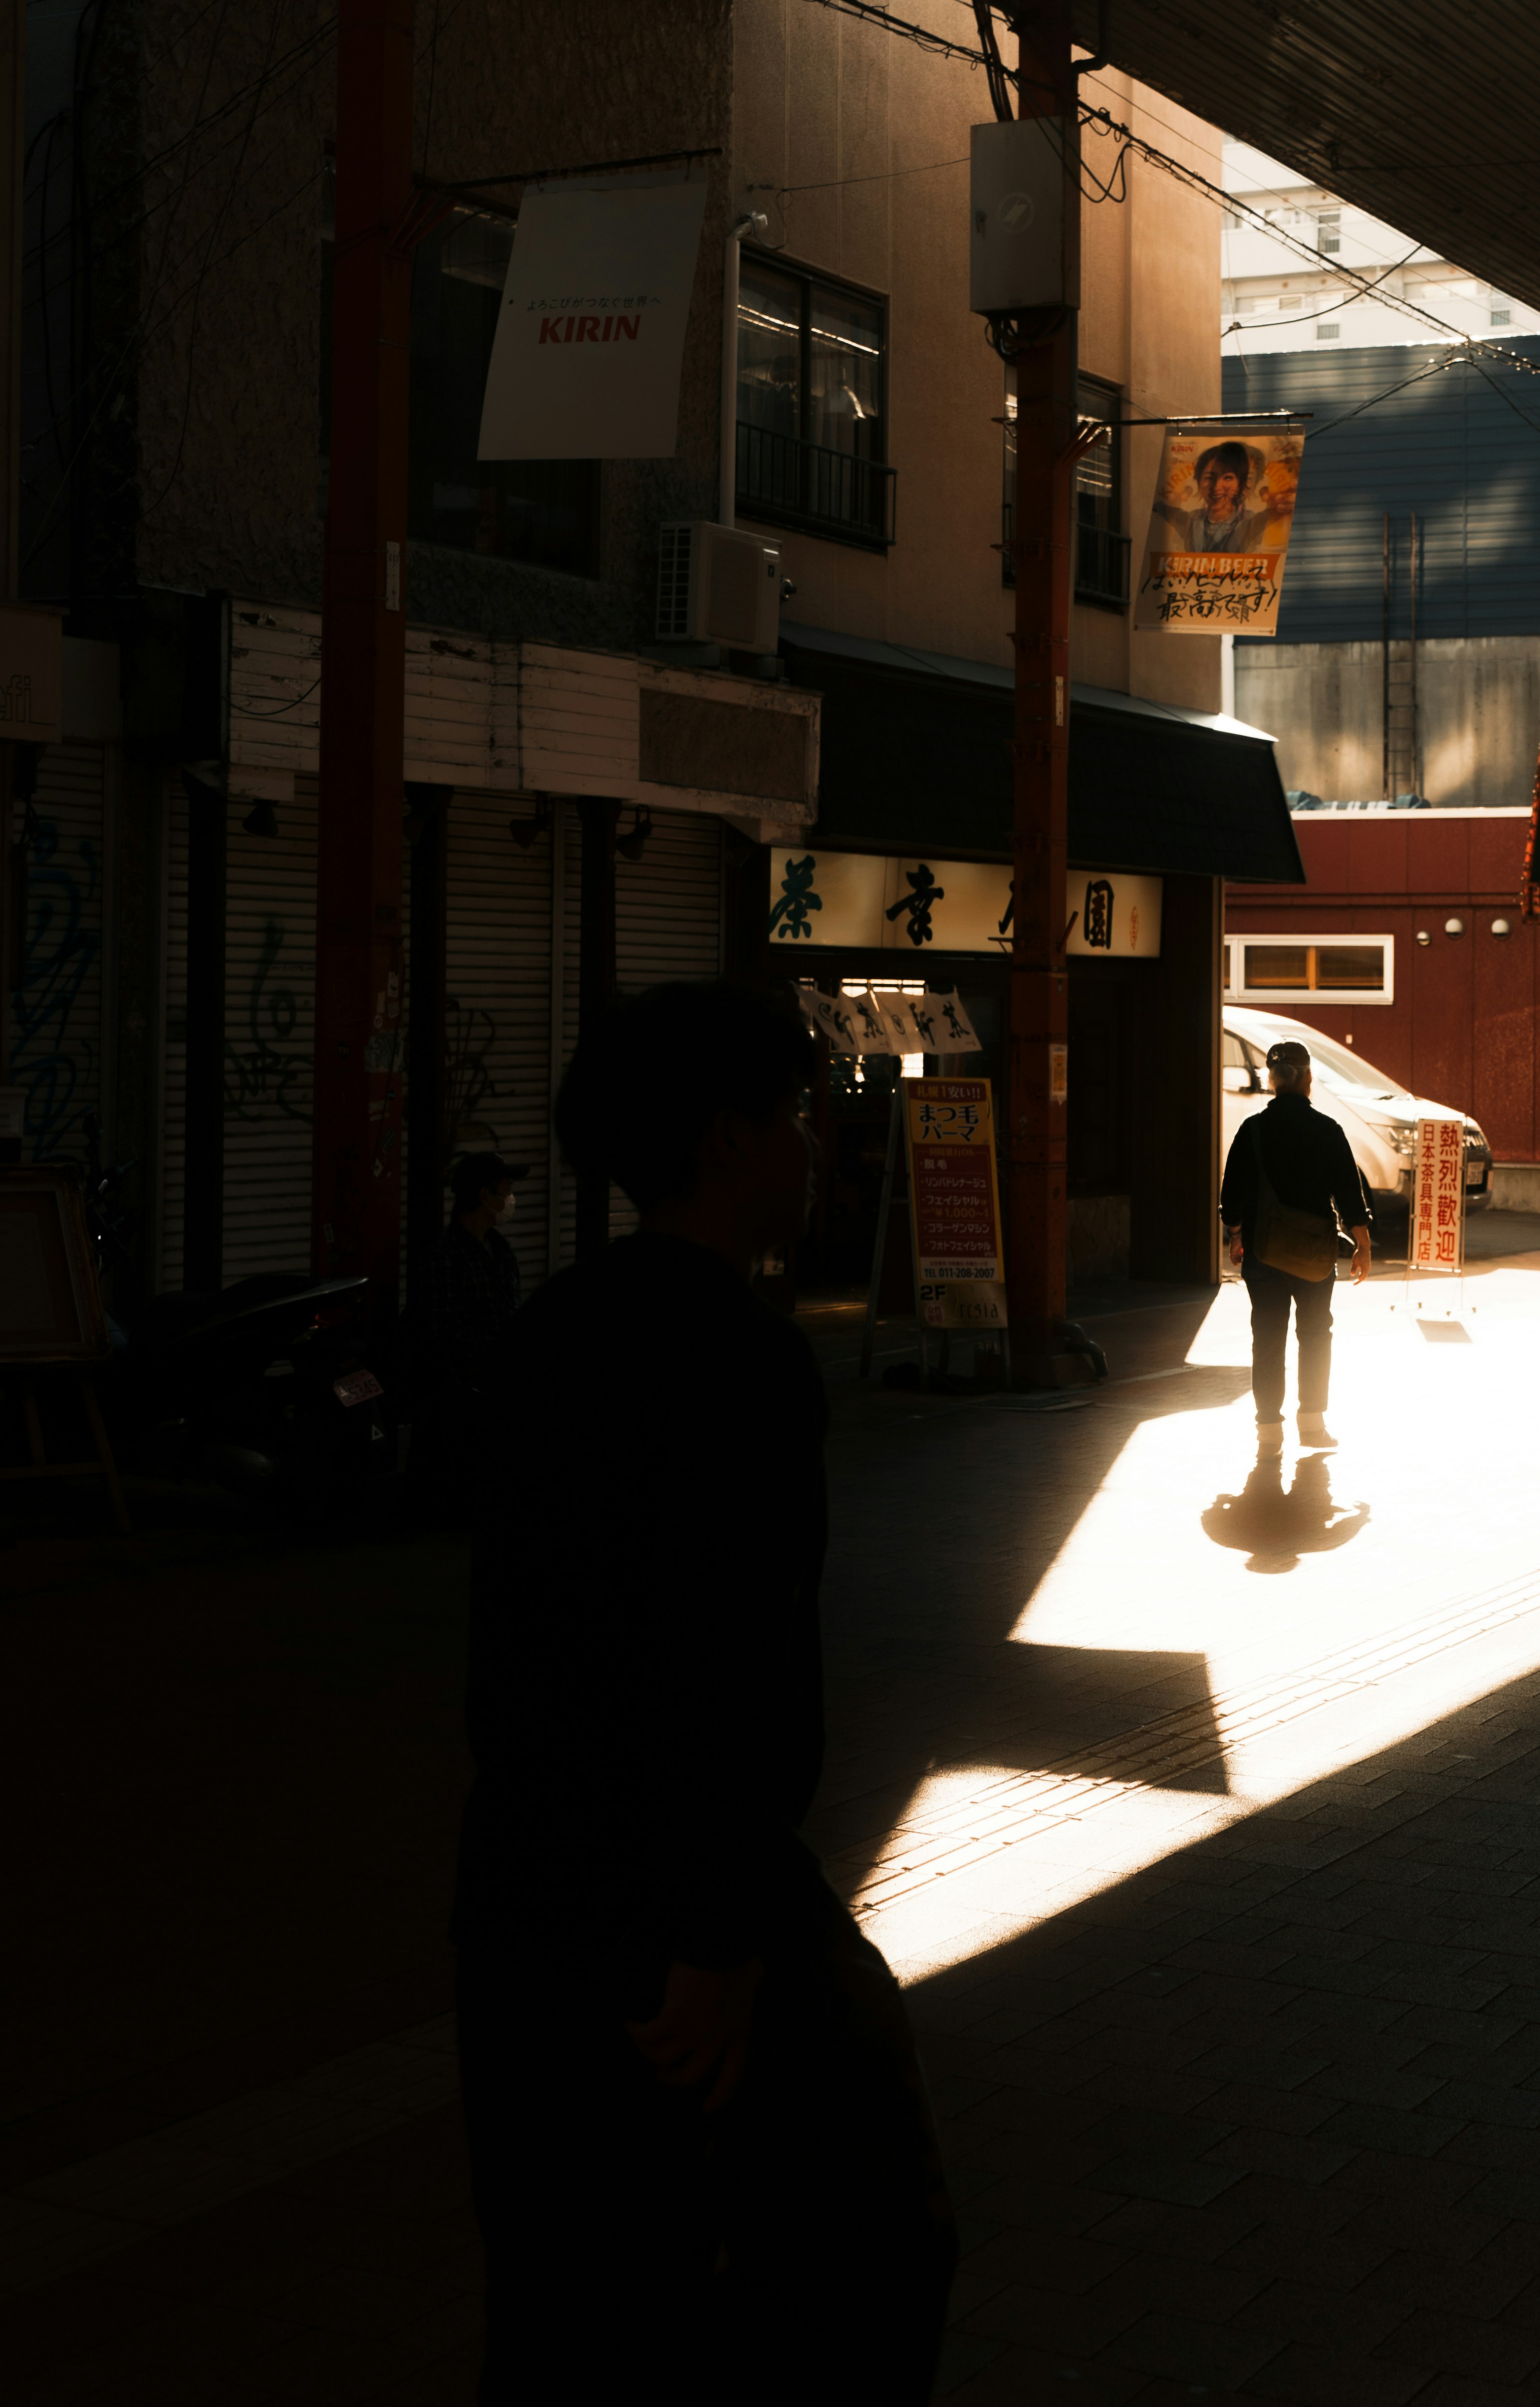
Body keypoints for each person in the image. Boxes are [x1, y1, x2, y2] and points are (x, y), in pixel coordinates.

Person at [452, 982, 954, 2402]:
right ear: (731, 1142)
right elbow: (739, 1663)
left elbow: (517, 1654)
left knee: (567, 2303)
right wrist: (720, 1936)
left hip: (525, 1895)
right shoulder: (738, 1359)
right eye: (794, 1120)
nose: (811, 1151)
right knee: (861, 2256)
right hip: (677, 1921)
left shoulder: (550, 1329)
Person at [1220, 1038, 1372, 1455]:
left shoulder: (1252, 1131)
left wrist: (1236, 1235)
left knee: (1267, 1337)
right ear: (1307, 1078)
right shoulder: (1327, 1130)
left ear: (1271, 1081)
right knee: (1315, 1333)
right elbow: (1349, 1194)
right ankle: (1312, 1425)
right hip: (1315, 1255)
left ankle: (1269, 1434)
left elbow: (1231, 1196)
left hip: (1263, 1252)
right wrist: (1362, 1245)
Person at [397, 1151, 526, 1509]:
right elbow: (444, 1336)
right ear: (485, 1197)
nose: (511, 1200)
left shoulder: (500, 1252)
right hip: (462, 1384)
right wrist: (500, 1354)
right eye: (506, 1191)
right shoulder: (445, 1258)